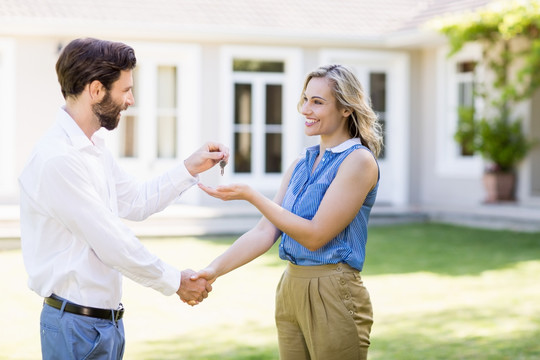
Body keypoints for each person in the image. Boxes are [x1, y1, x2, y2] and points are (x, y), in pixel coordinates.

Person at [18, 37, 228, 360]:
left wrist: (190, 167)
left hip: (105, 324)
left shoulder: (94, 149)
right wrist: (176, 281)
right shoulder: (57, 159)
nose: (131, 99)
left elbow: (138, 200)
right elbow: (111, 241)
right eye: (125, 89)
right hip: (75, 328)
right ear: (96, 90)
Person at [195, 64, 382, 360]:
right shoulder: (301, 163)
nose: (306, 109)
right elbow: (264, 231)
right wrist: (212, 270)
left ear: (346, 109)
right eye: (305, 99)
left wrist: (252, 196)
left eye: (318, 102)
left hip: (334, 288)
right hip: (290, 287)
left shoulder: (358, 161)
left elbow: (316, 235)